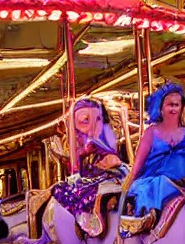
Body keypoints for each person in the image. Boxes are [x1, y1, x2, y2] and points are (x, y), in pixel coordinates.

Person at [119, 82, 185, 238]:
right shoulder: (152, 132)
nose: (173, 109)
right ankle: (148, 219)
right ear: (161, 108)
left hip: (182, 182)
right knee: (158, 185)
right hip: (156, 180)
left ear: (182, 107)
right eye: (169, 105)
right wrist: (130, 179)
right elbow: (140, 160)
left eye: (176, 105)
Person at [50, 97, 128, 236]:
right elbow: (75, 162)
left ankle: (92, 222)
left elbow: (83, 156)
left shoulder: (100, 136)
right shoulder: (94, 137)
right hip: (106, 170)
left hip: (110, 169)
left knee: (74, 191)